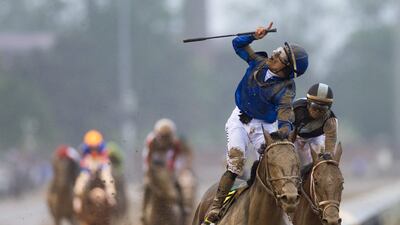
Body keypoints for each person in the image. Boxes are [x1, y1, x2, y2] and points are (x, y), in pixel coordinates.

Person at [202, 21, 309, 225]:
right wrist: (253, 36)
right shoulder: (258, 62)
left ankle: (286, 208)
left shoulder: (286, 89)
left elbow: (285, 115)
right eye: (277, 52)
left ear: (287, 70)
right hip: (240, 118)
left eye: (279, 57)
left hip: (264, 125)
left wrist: (284, 132)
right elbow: (237, 44)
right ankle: (216, 205)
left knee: (279, 160)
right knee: (236, 162)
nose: (274, 56)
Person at [141, 118, 185, 221]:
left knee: (178, 184)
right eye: (163, 136)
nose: (165, 140)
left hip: (166, 162)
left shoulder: (175, 143)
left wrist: (171, 170)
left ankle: (183, 209)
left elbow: (175, 158)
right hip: (154, 163)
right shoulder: (151, 141)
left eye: (167, 137)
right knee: (147, 185)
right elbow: (148, 158)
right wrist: (149, 171)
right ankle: (143, 212)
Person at [293, 83, 338, 166]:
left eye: (322, 109)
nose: (317, 111)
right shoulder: (295, 109)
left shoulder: (331, 120)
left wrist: (328, 153)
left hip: (316, 137)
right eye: (315, 107)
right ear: (308, 103)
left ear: (328, 108)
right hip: (295, 135)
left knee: (321, 156)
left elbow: (330, 141)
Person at [73, 129, 116, 213]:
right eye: (92, 146)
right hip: (89, 168)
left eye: (95, 146)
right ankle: (77, 199)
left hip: (101, 166)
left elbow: (105, 160)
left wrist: (100, 166)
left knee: (107, 177)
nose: (94, 148)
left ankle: (111, 197)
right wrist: (88, 168)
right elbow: (83, 162)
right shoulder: (84, 148)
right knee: (81, 179)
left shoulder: (103, 147)